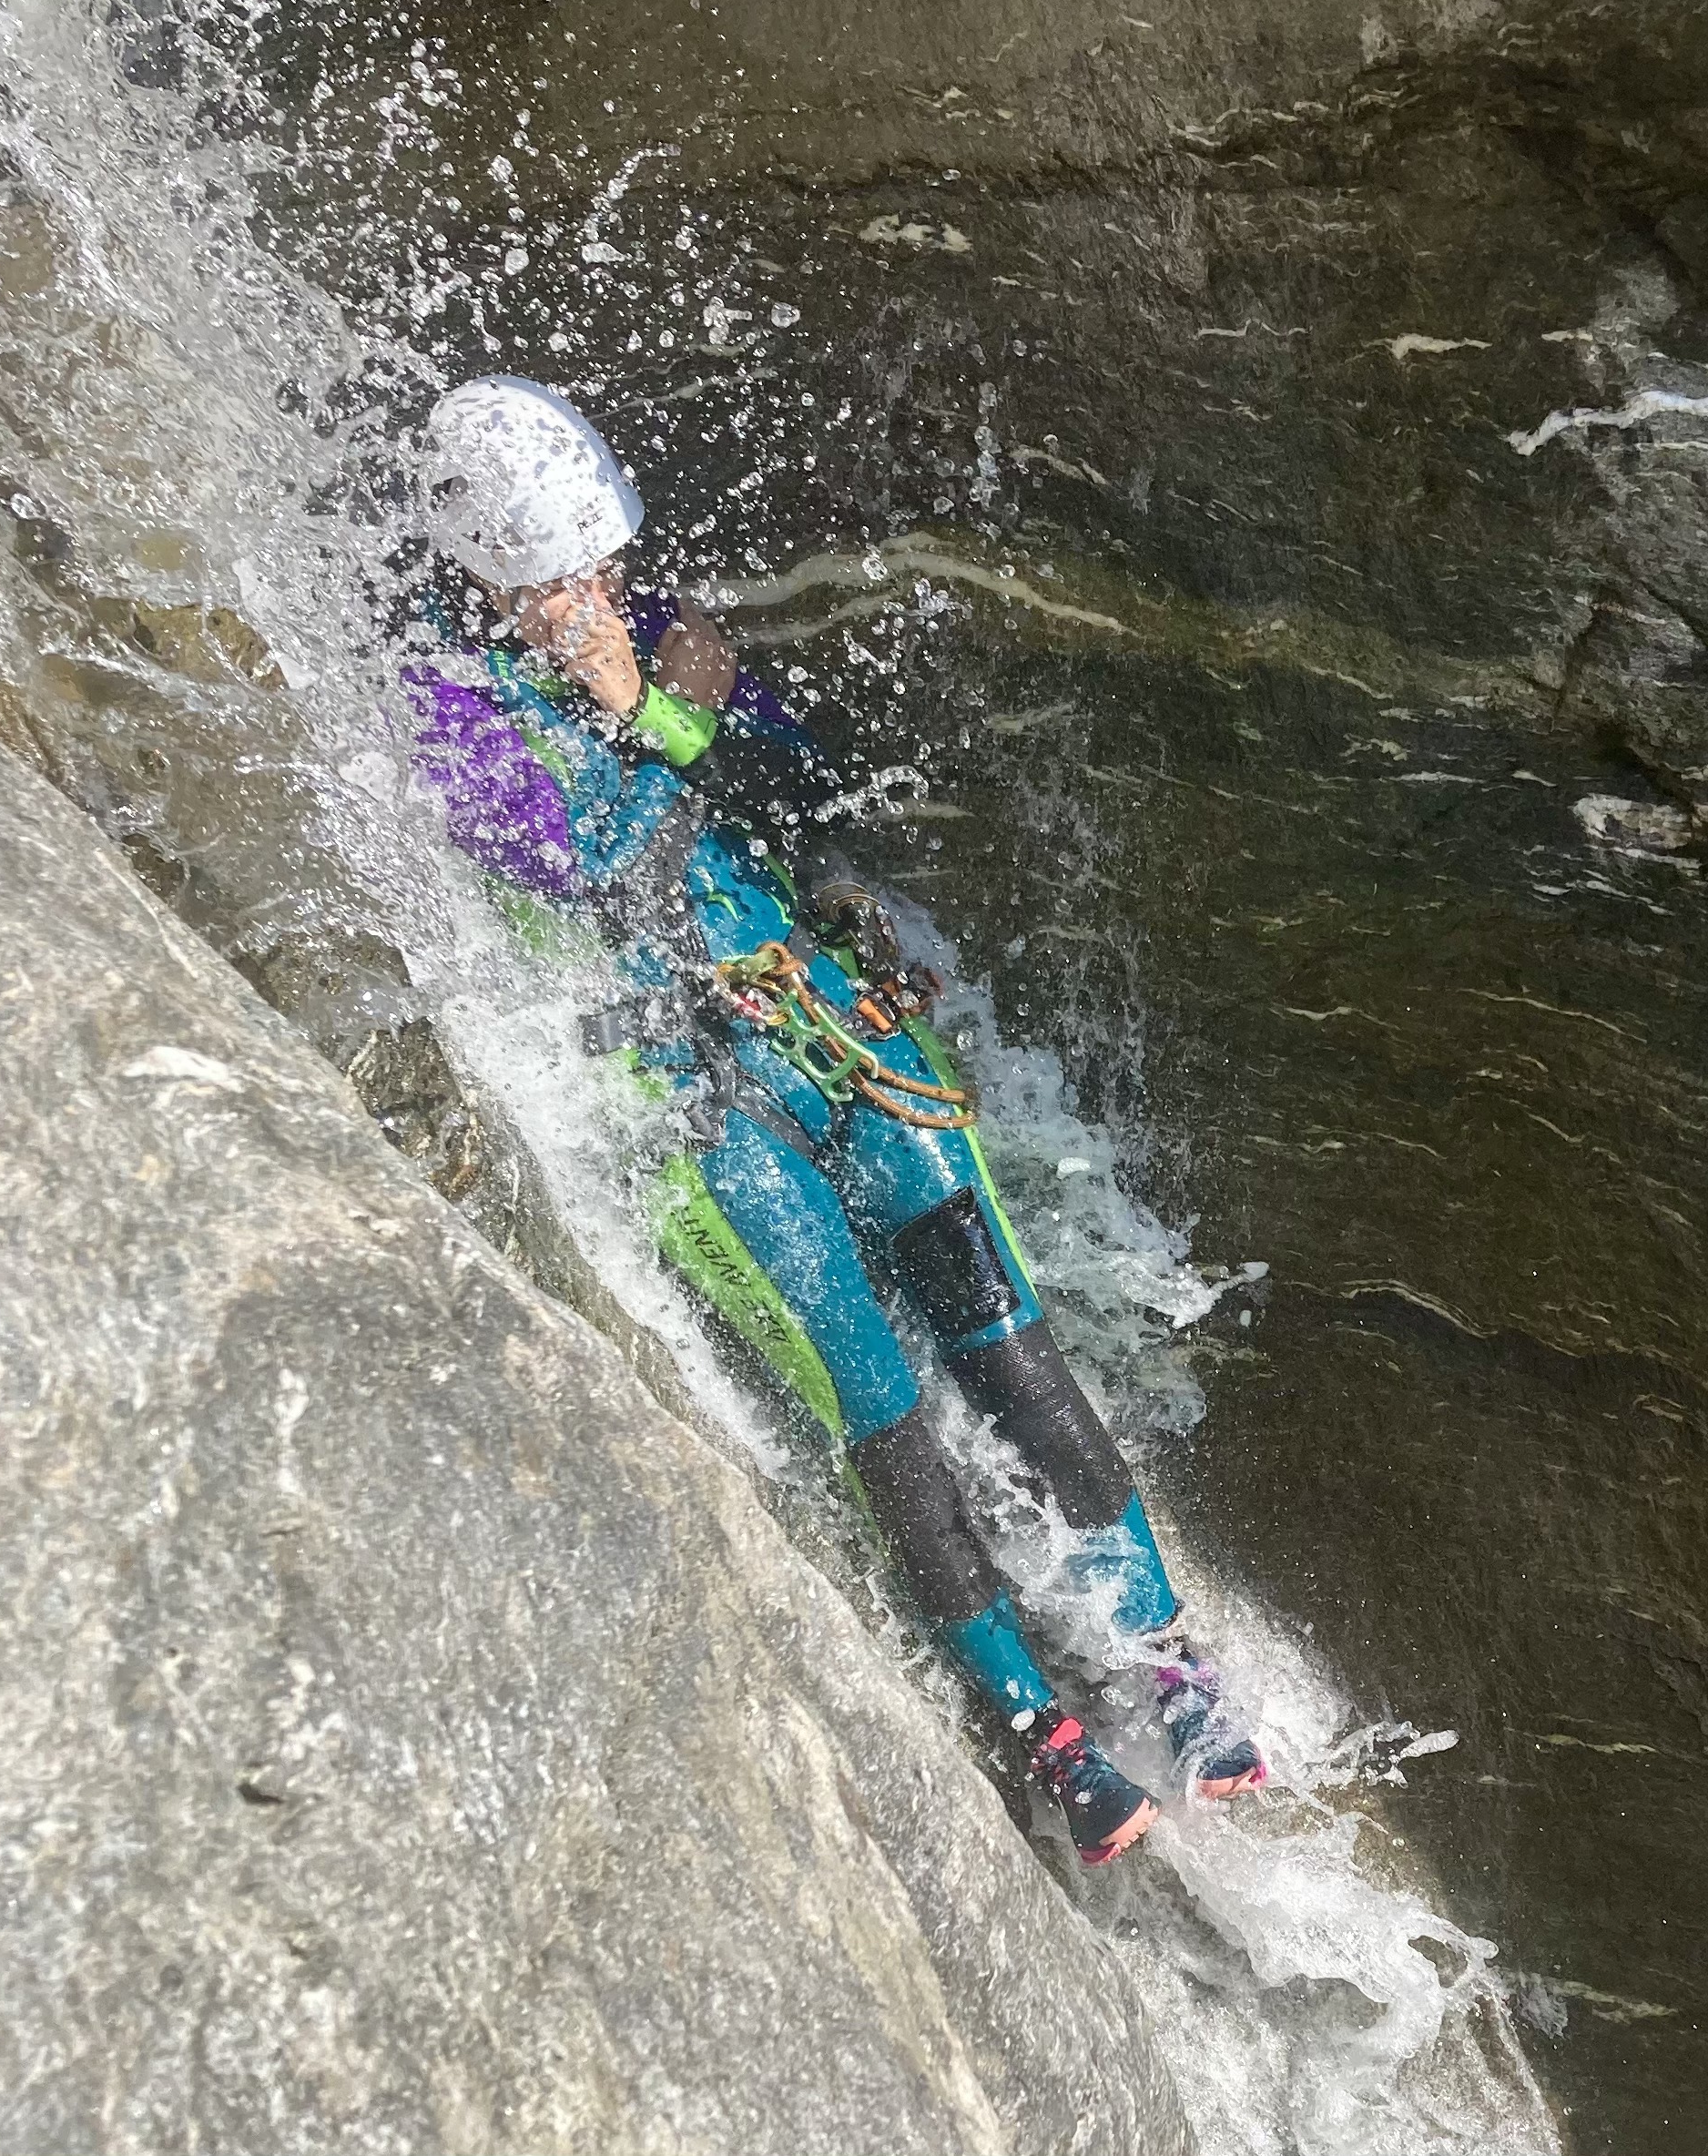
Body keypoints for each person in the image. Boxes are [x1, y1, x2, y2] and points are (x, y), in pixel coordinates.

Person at [402, 374, 1263, 1864]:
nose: (595, 593)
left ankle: (1162, 1658)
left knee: (1001, 1330)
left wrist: (661, 701)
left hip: (820, 1022)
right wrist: (630, 711)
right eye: (561, 578)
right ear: (480, 573)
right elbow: (561, 867)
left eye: (601, 564)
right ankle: (1031, 1720)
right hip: (673, 1091)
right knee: (871, 1394)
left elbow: (803, 785)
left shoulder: (664, 627)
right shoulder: (436, 703)